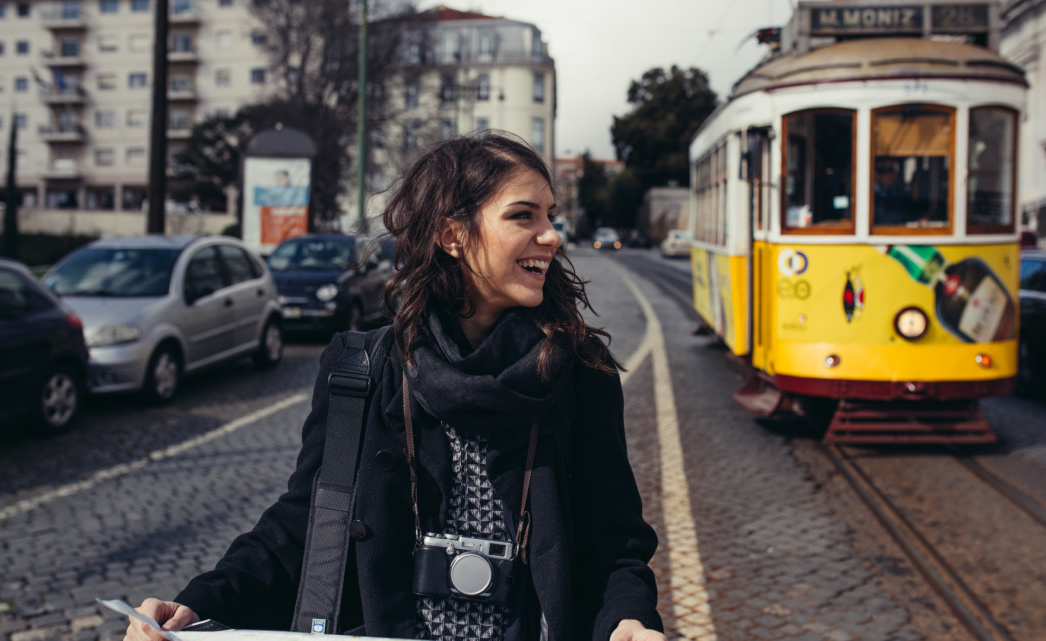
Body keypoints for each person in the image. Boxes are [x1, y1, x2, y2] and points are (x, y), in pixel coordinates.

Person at [122, 132, 667, 641]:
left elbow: (614, 543)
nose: (551, 235)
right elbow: (305, 521)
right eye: (523, 215)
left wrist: (629, 616)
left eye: (551, 216)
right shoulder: (361, 370)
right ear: (454, 235)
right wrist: (200, 603)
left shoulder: (580, 374)